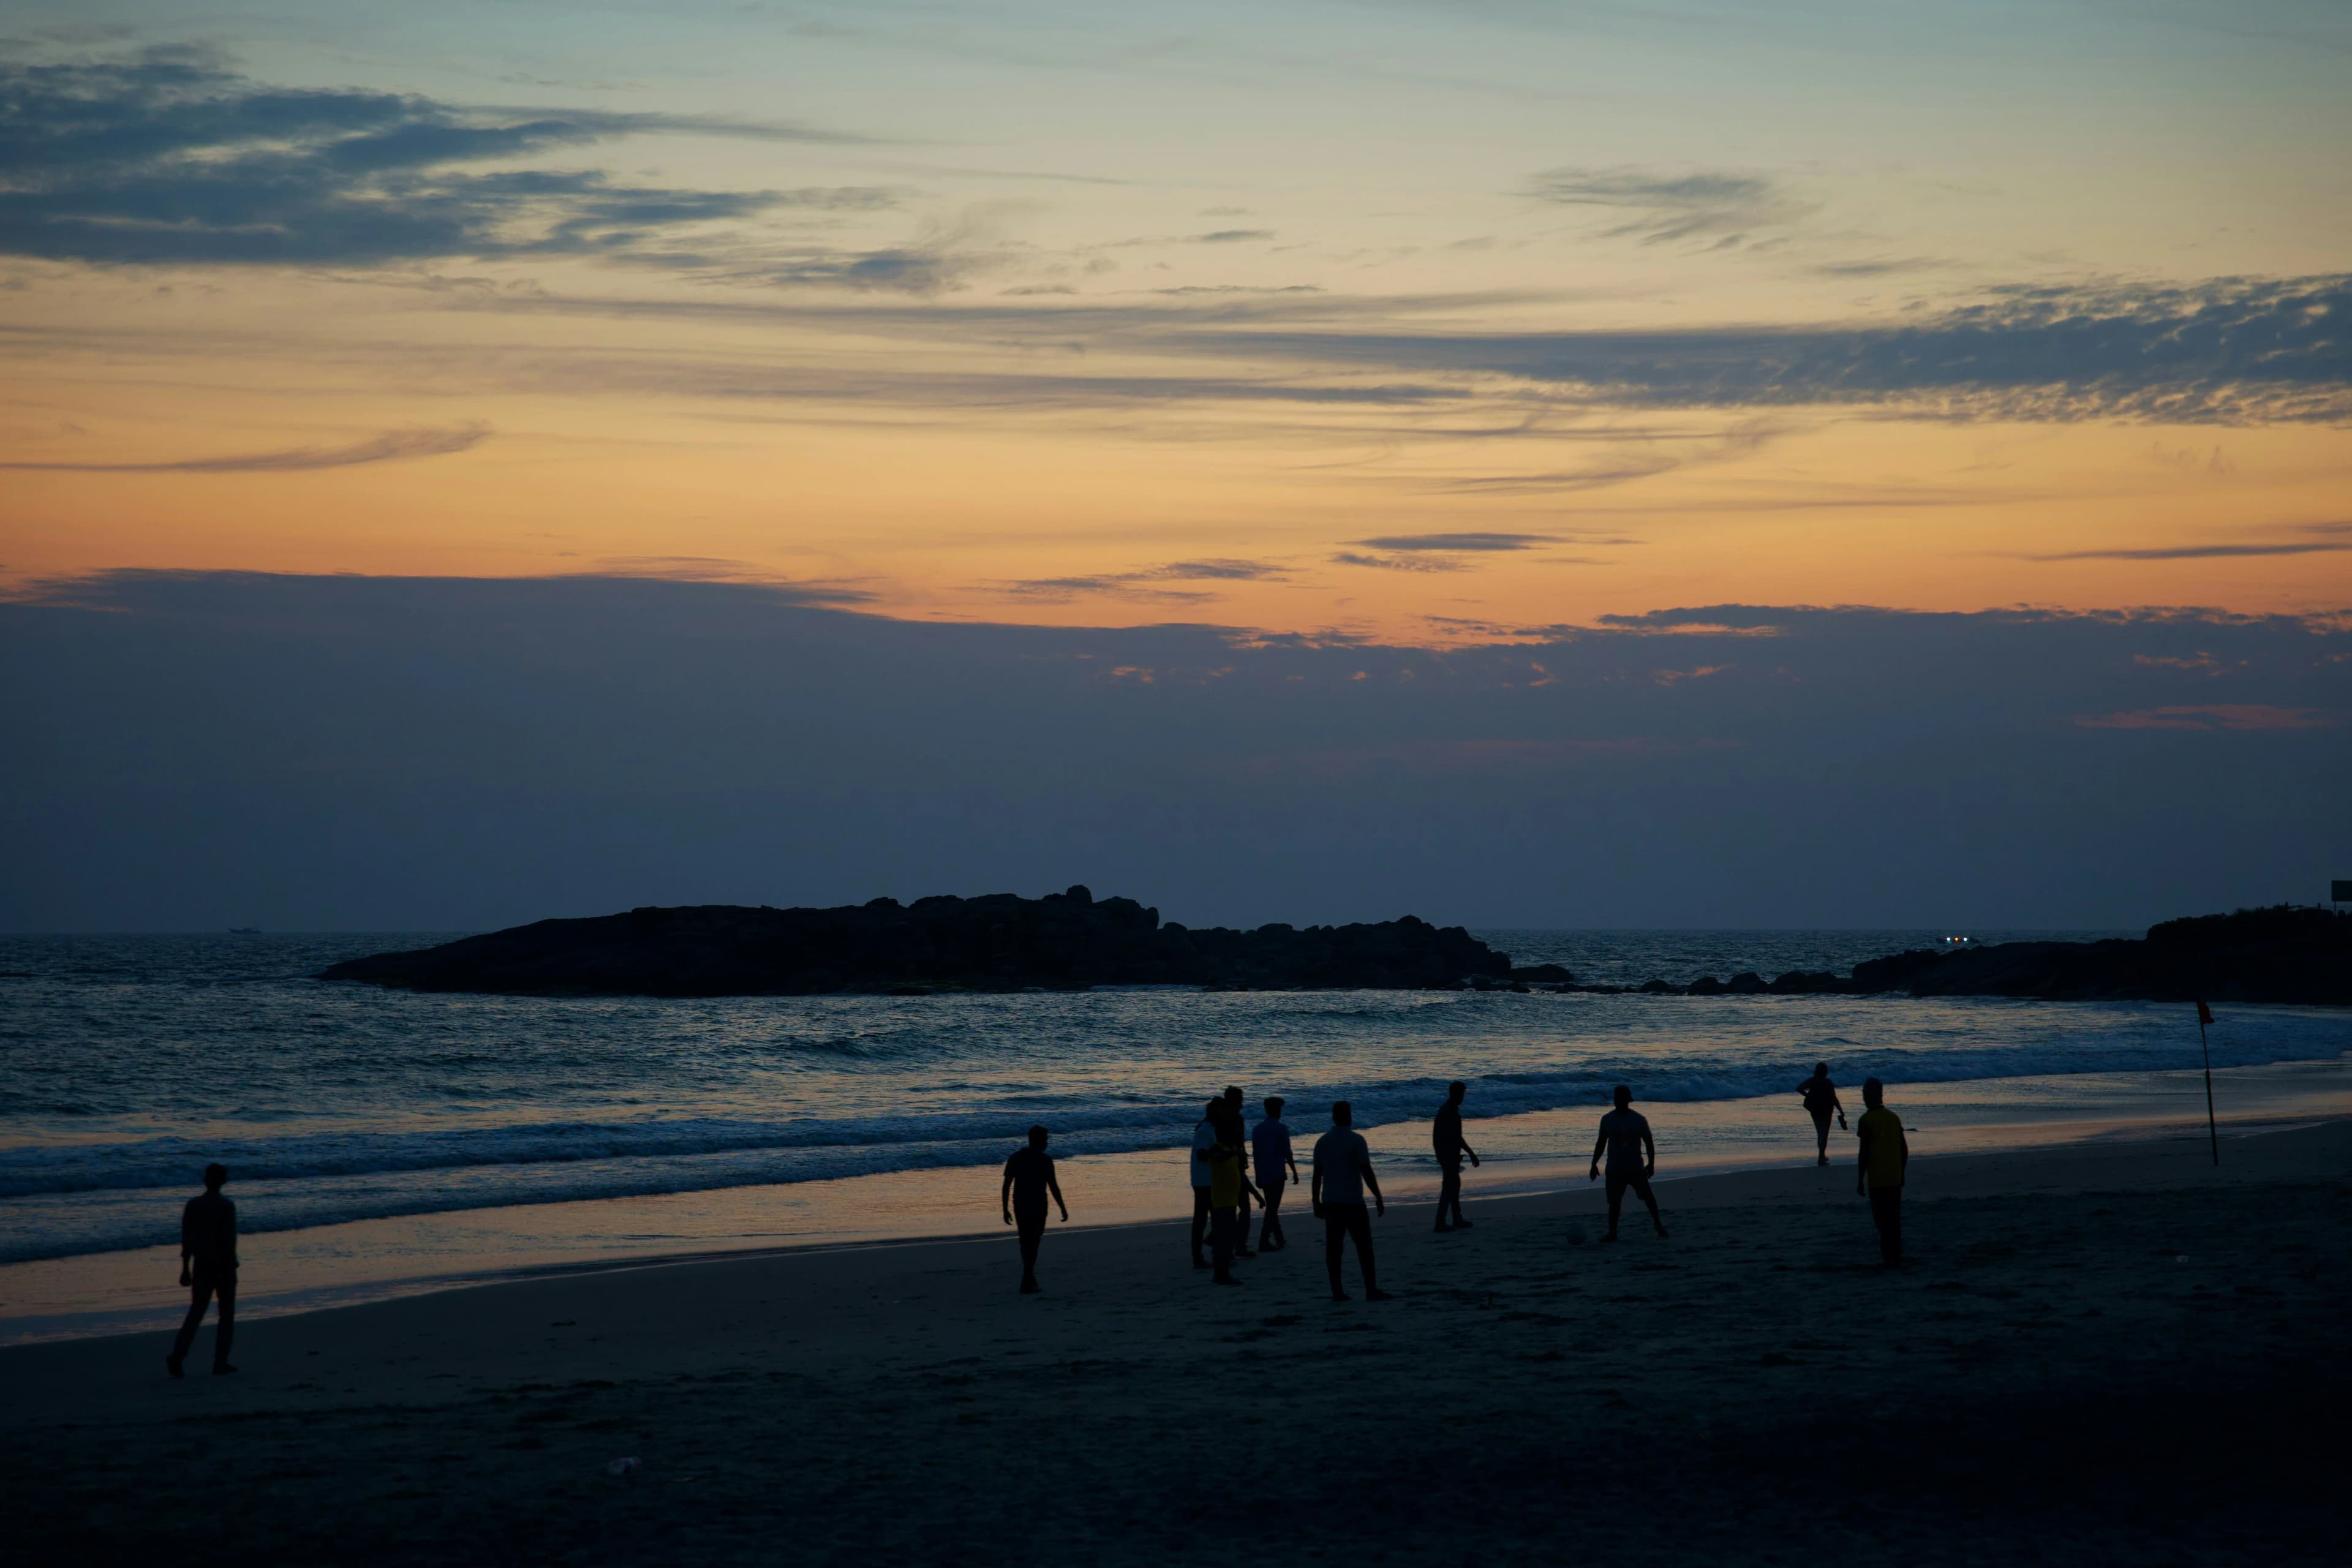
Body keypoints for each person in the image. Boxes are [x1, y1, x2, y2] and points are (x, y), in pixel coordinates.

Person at [1311, 1101, 1390, 1302]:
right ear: (1350, 1117)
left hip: (1331, 1201)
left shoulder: (1322, 1142)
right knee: (1364, 1247)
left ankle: (1337, 1291)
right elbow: (1367, 1172)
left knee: (1334, 1249)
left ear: (1333, 1117)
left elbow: (1317, 1176)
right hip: (1353, 1201)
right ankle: (1370, 1290)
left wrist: (1315, 1202)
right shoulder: (1357, 1141)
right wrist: (1378, 1196)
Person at [168, 1162, 238, 1377]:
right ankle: (220, 1362)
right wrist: (232, 1264)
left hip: (201, 1265)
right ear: (223, 1181)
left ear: (206, 1181)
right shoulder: (226, 1206)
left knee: (196, 1312)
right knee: (226, 1315)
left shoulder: (193, 1205)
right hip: (223, 1266)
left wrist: (185, 1268)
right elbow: (229, 1240)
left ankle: (178, 1356)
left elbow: (186, 1240)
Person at [1588, 1085, 1667, 1242]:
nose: (1618, 1101)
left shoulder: (1639, 1120)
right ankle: (1613, 1232)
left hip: (1635, 1167)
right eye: (1616, 1098)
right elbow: (1601, 1143)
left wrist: (1651, 1164)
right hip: (1614, 1168)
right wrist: (1593, 1164)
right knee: (1614, 1202)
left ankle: (1658, 1224)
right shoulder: (1607, 1119)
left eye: (1621, 1098)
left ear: (1627, 1100)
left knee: (1648, 1197)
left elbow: (1649, 1143)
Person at [1001, 1125, 1069, 1294]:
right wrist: (1062, 1208)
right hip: (1038, 1205)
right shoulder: (1045, 1160)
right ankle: (1027, 1277)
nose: (1046, 1143)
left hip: (1021, 1205)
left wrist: (1005, 1209)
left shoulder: (1016, 1158)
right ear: (1038, 1141)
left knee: (1026, 1242)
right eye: (1045, 1140)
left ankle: (1028, 1277)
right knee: (1034, 1242)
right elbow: (1053, 1187)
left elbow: (1006, 1186)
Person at [1855, 1077, 1909, 1267]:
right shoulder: (1893, 1118)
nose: (1864, 1097)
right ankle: (1896, 1256)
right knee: (1893, 1220)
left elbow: (1864, 1153)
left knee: (1881, 1221)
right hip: (1894, 1178)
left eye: (1865, 1094)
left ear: (1875, 1095)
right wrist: (1901, 1173)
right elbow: (1904, 1150)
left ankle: (1889, 1258)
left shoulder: (1866, 1121)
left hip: (1878, 1180)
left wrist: (1860, 1179)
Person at [1206, 1103, 1262, 1285]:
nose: (1238, 1135)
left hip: (1230, 1201)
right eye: (1234, 1132)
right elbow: (1215, 1158)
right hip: (1221, 1202)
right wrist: (1232, 1154)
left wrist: (1256, 1194)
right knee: (1224, 1240)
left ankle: (1222, 1273)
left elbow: (1241, 1178)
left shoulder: (1232, 1152)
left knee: (1228, 1239)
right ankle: (1220, 1274)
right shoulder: (1218, 1148)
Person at [1251, 1095, 1300, 1251]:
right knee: (1273, 1208)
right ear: (1277, 1110)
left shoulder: (1257, 1129)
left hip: (1263, 1172)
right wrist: (1294, 1171)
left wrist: (1257, 1175)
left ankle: (1279, 1238)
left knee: (1272, 1206)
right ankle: (1264, 1240)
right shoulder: (1281, 1129)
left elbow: (1256, 1155)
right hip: (1278, 1172)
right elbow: (1287, 1153)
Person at [1431, 1080, 1481, 1231]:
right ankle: (1441, 1222)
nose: (1462, 1097)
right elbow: (1456, 1137)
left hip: (1448, 1154)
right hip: (1447, 1155)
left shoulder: (1449, 1109)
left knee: (1453, 1186)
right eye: (1461, 1094)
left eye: (1463, 1094)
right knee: (1449, 1187)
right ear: (1453, 1094)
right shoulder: (1449, 1111)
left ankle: (1456, 1219)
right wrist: (1471, 1153)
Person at [1221, 1085, 1256, 1259]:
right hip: (1231, 1167)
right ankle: (1238, 1246)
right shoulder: (1231, 1119)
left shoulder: (1225, 1118)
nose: (1242, 1104)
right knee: (1243, 1207)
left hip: (1232, 1165)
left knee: (1231, 1208)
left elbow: (1240, 1144)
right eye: (1240, 1100)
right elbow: (1236, 1144)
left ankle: (1230, 1243)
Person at [1190, 1098, 1221, 1268]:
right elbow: (1201, 1155)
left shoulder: (1208, 1129)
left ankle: (1205, 1253)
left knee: (1208, 1219)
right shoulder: (1206, 1131)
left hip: (1204, 1179)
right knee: (1204, 1220)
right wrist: (1216, 1153)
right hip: (1204, 1181)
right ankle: (1200, 1256)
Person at [1797, 1062, 1847, 1166]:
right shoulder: (1828, 1082)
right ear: (1825, 1072)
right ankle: (1821, 1157)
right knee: (1824, 1134)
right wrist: (1841, 1110)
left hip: (1815, 1110)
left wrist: (1808, 1096)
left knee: (1820, 1133)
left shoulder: (1812, 1081)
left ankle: (1822, 1156)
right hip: (1826, 1110)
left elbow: (1799, 1088)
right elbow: (1834, 1098)